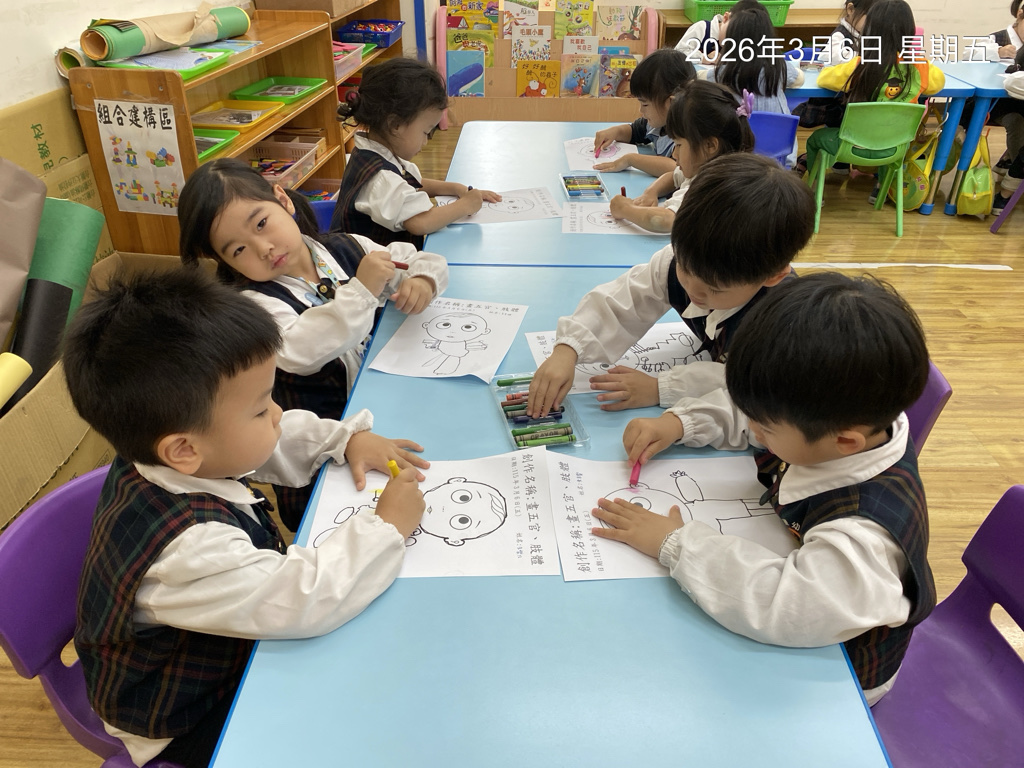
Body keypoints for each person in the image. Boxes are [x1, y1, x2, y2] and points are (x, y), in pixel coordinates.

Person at [63, 268, 429, 768]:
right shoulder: (188, 550)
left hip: (220, 645)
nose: (277, 414)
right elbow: (304, 600)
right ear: (183, 449)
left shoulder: (176, 452)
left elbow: (267, 442)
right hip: (184, 716)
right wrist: (386, 527)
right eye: (260, 409)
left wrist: (344, 440)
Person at [594, 272, 936, 706]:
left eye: (765, 429)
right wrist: (681, 423)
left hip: (839, 676)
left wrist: (675, 543)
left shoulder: (865, 539)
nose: (753, 429)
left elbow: (785, 605)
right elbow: (754, 412)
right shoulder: (841, 419)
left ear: (845, 441)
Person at [178, 157, 449, 531]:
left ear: (282, 199)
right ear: (224, 261)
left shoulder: (346, 246)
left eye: (261, 223)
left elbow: (419, 260)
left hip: (391, 399)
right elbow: (300, 350)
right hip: (328, 448)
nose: (263, 247)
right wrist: (362, 290)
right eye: (238, 250)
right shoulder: (253, 305)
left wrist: (422, 280)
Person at [527, 153, 814, 423]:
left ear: (772, 276)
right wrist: (569, 349)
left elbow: (755, 394)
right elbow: (624, 300)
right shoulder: (684, 258)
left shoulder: (784, 325)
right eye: (685, 270)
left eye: (714, 290)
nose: (693, 291)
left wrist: (662, 388)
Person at [331, 57, 500, 248]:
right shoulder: (381, 178)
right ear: (395, 125)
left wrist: (456, 189)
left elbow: (412, 184)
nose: (426, 141)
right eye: (425, 132)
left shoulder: (374, 152)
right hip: (365, 263)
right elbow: (420, 222)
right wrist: (465, 206)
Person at [804, 0, 944, 190]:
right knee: (891, 135)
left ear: (870, 30)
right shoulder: (920, 68)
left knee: (815, 140)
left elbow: (824, 78)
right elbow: (939, 82)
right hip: (896, 147)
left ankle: (812, 190)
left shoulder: (860, 65)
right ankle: (881, 190)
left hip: (852, 145)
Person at [607, 80, 755, 233]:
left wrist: (624, 209)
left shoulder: (710, 186)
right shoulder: (713, 167)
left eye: (678, 145)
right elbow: (673, 176)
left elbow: (662, 220)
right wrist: (652, 191)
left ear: (710, 145)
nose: (674, 153)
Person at [702, 7, 804, 167]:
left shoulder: (725, 71)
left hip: (737, 163)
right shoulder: (778, 66)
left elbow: (698, 78)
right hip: (780, 161)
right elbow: (799, 78)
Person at [591, 47, 697, 179]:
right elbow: (635, 131)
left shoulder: (688, 132)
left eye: (645, 104)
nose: (640, 111)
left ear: (671, 102)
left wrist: (631, 160)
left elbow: (675, 168)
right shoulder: (659, 122)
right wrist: (615, 132)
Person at [672, 0, 766, 64]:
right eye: (732, 33)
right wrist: (703, 57)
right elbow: (678, 54)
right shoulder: (702, 28)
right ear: (725, 18)